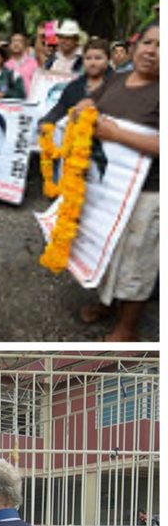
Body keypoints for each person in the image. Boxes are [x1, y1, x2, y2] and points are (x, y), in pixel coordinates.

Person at [76, 22, 159, 342]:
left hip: (148, 193)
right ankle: (106, 303)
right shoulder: (118, 78)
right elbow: (94, 103)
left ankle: (127, 328)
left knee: (137, 259)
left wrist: (117, 134)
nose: (151, 51)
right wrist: (86, 106)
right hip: (107, 186)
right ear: (135, 46)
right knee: (105, 247)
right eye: (147, 42)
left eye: (160, 46)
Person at [39, 37, 114, 127]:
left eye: (98, 58)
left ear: (108, 59)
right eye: (88, 58)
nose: (92, 63)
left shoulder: (119, 85)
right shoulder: (74, 87)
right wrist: (45, 122)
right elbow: (60, 109)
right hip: (76, 137)